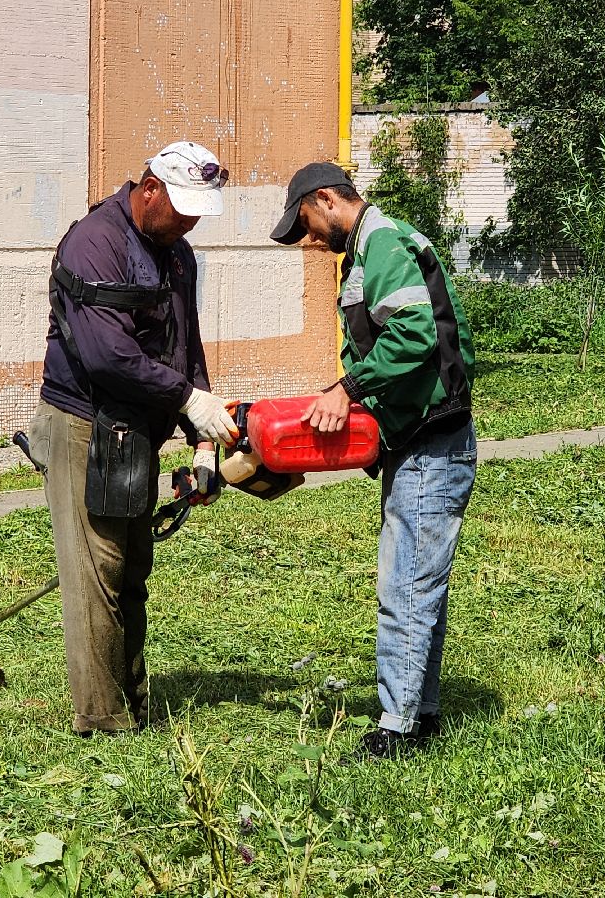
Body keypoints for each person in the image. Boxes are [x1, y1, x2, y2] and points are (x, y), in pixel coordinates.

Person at [28, 141, 238, 736]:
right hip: (83, 424)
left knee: (132, 569)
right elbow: (107, 356)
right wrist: (185, 399)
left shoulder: (177, 256)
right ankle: (101, 721)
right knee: (97, 572)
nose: (191, 220)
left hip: (138, 425)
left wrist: (202, 435)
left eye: (200, 210)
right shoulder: (95, 242)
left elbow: (185, 346)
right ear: (150, 189)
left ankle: (133, 703)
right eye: (182, 207)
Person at [270, 162, 477, 759]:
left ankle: (397, 729)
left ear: (327, 199)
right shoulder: (370, 251)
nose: (309, 237)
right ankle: (422, 712)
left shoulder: (383, 243)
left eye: (306, 222)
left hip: (431, 446)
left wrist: (348, 389)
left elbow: (414, 336)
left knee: (406, 586)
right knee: (421, 583)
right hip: (419, 443)